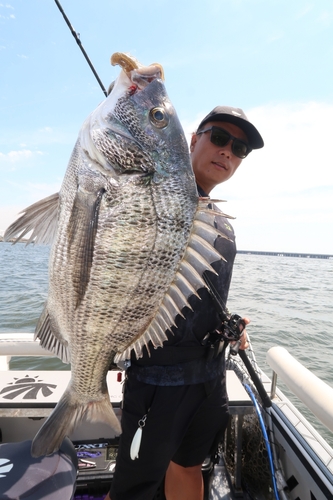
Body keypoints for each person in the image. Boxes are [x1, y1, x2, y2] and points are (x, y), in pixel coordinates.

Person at [105, 106, 264, 500]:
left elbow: (199, 293)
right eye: (220, 138)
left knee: (190, 465)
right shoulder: (150, 197)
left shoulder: (221, 220)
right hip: (157, 380)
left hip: (209, 377)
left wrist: (231, 328)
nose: (228, 151)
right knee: (132, 486)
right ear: (193, 140)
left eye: (240, 148)